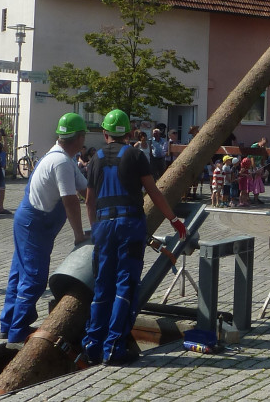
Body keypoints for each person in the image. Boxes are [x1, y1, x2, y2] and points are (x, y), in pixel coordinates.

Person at [82, 109, 186, 366]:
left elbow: (89, 201)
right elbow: (154, 192)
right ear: (129, 133)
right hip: (129, 225)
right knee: (125, 284)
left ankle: (92, 345)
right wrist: (174, 220)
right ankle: (114, 347)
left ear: (104, 133)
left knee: (103, 283)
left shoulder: (94, 159)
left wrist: (95, 229)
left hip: (104, 226)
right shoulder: (135, 155)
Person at [0, 113, 93, 347]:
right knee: (34, 278)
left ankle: (8, 324)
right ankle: (17, 332)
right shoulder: (61, 162)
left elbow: (86, 192)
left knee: (19, 273)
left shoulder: (64, 159)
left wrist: (102, 216)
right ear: (79, 137)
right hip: (34, 224)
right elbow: (70, 200)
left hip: (32, 222)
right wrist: (80, 235)